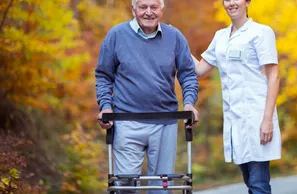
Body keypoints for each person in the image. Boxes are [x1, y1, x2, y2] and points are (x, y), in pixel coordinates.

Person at [95, 0, 199, 193]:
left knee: (160, 187)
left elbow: (188, 74)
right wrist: (106, 106)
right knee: (123, 187)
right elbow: (103, 76)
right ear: (133, 9)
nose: (148, 12)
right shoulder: (116, 35)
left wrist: (190, 103)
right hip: (126, 122)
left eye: (154, 7)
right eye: (143, 7)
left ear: (162, 9)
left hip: (165, 123)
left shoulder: (175, 37)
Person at [192, 0, 281, 193]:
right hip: (235, 120)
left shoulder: (261, 32)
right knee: (250, 181)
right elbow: (199, 69)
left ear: (248, 2)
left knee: (258, 184)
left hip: (257, 118)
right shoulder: (221, 37)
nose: (231, 3)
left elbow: (273, 75)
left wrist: (267, 120)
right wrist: (178, 43)